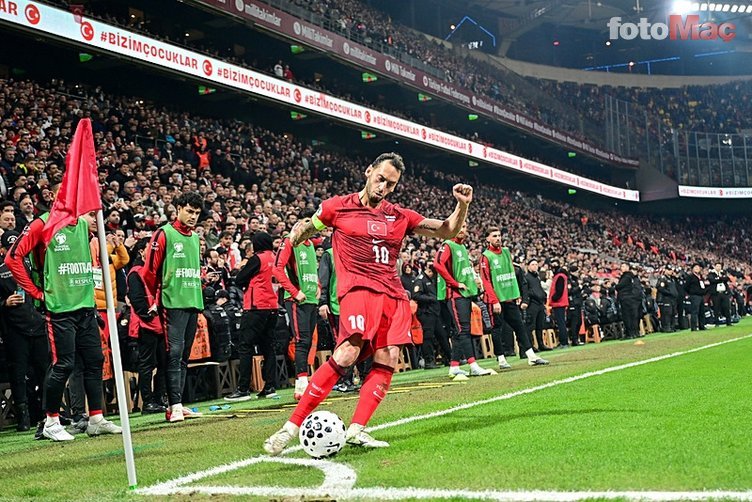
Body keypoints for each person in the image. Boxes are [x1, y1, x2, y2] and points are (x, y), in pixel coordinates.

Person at [263, 152, 472, 455]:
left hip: (393, 295)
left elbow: (447, 230)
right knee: (348, 353)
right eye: (381, 179)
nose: (384, 187)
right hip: (358, 290)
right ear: (369, 171)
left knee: (388, 357)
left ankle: (357, 429)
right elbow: (311, 226)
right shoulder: (338, 207)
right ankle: (290, 428)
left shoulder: (400, 216)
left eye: (391, 184)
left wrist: (462, 205)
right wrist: (299, 232)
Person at [4, 181, 121, 440]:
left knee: (94, 361)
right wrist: (36, 292)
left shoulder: (83, 225)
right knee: (63, 364)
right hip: (60, 309)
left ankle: (96, 418)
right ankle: (51, 422)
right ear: (52, 196)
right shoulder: (41, 224)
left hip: (85, 305)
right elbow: (13, 258)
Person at [141, 191, 205, 422]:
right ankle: (174, 405)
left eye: (197, 213)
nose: (193, 216)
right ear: (178, 209)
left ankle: (177, 405)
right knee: (174, 355)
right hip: (172, 303)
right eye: (189, 211)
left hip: (192, 301)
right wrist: (154, 298)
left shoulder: (195, 238)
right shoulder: (164, 233)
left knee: (184, 357)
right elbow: (149, 272)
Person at [0, 230, 48, 432]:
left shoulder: (33, 264)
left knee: (44, 371)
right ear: (2, 250)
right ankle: (23, 418)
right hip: (14, 331)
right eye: (9, 247)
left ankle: (48, 414)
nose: (13, 250)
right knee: (18, 374)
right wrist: (4, 302)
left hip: (37, 325)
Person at [480, 228, 548, 369]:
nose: (498, 238)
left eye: (499, 235)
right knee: (497, 329)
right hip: (495, 300)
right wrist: (494, 301)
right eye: (494, 236)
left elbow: (511, 274)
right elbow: (486, 281)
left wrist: (516, 294)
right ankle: (501, 359)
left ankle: (531, 356)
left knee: (520, 326)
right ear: (487, 239)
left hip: (509, 298)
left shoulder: (506, 252)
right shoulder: (485, 257)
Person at [273, 209, 320, 400]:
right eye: (306, 221)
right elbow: (277, 269)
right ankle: (301, 385)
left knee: (308, 342)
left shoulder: (311, 245)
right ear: (298, 223)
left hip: (312, 299)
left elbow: (312, 269)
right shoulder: (289, 241)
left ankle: (304, 381)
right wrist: (294, 292)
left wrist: (318, 285)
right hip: (296, 299)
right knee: (301, 341)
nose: (309, 226)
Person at [434, 221, 492, 378]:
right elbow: (437, 264)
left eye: (465, 227)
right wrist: (454, 283)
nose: (462, 229)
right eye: (459, 226)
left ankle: (454, 366)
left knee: (459, 331)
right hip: (455, 294)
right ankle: (473, 365)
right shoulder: (448, 244)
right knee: (464, 330)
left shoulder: (461, 247)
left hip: (465, 294)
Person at [227, 232, 279, 400]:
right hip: (272, 306)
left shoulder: (257, 258)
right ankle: (270, 386)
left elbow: (239, 279)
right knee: (268, 347)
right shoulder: (275, 257)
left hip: (256, 306)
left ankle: (243, 389)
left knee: (245, 346)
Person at [126, 238, 167, 414]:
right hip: (146, 325)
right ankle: (148, 402)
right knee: (147, 364)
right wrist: (149, 314)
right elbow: (136, 300)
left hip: (159, 323)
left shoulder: (154, 270)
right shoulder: (135, 273)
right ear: (141, 251)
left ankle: (159, 397)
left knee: (164, 362)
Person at [412, 262, 449, 368]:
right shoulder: (420, 280)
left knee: (442, 335)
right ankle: (429, 361)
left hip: (434, 312)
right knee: (428, 337)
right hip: (426, 312)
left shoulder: (431, 279)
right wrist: (431, 299)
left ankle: (449, 358)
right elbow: (416, 295)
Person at [524, 258, 551, 352]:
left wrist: (543, 295)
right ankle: (531, 346)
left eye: (536, 264)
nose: (535, 266)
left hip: (540, 303)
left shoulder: (537, 277)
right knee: (530, 326)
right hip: (532, 304)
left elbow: (539, 288)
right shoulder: (526, 277)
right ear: (528, 266)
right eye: (533, 264)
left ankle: (541, 344)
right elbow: (526, 291)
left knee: (540, 325)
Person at [615, 263, 642, 339]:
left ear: (627, 267)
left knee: (627, 316)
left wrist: (615, 285)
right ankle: (635, 332)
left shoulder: (626, 276)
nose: (621, 268)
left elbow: (620, 286)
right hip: (632, 299)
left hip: (626, 298)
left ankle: (630, 333)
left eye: (623, 266)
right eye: (621, 266)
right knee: (633, 316)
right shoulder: (632, 277)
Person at [548, 261, 569, 348]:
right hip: (561, 303)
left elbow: (559, 291)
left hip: (559, 303)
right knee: (561, 322)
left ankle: (564, 342)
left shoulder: (559, 277)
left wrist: (553, 298)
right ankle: (564, 341)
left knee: (561, 323)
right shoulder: (562, 276)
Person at [707, 262, 732, 327]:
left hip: (724, 293)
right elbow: (712, 280)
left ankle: (729, 322)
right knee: (716, 308)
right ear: (715, 267)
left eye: (720, 266)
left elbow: (727, 278)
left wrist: (719, 278)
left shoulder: (723, 272)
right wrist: (721, 278)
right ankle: (717, 323)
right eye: (717, 266)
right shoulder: (711, 274)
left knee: (726, 307)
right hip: (716, 294)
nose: (719, 267)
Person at [686, 263, 708, 331]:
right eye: (695, 268)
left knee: (702, 311)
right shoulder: (690, 277)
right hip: (694, 295)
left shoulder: (700, 277)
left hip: (701, 295)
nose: (697, 269)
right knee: (694, 312)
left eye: (698, 268)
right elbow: (686, 286)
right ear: (692, 269)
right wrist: (691, 292)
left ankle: (702, 326)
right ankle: (694, 327)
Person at [656, 267, 678, 333]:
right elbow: (660, 288)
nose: (671, 271)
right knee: (667, 313)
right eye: (669, 270)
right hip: (665, 298)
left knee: (673, 313)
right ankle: (666, 327)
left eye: (671, 270)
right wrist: (670, 293)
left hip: (672, 299)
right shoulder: (663, 278)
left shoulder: (672, 279)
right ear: (665, 270)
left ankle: (672, 326)